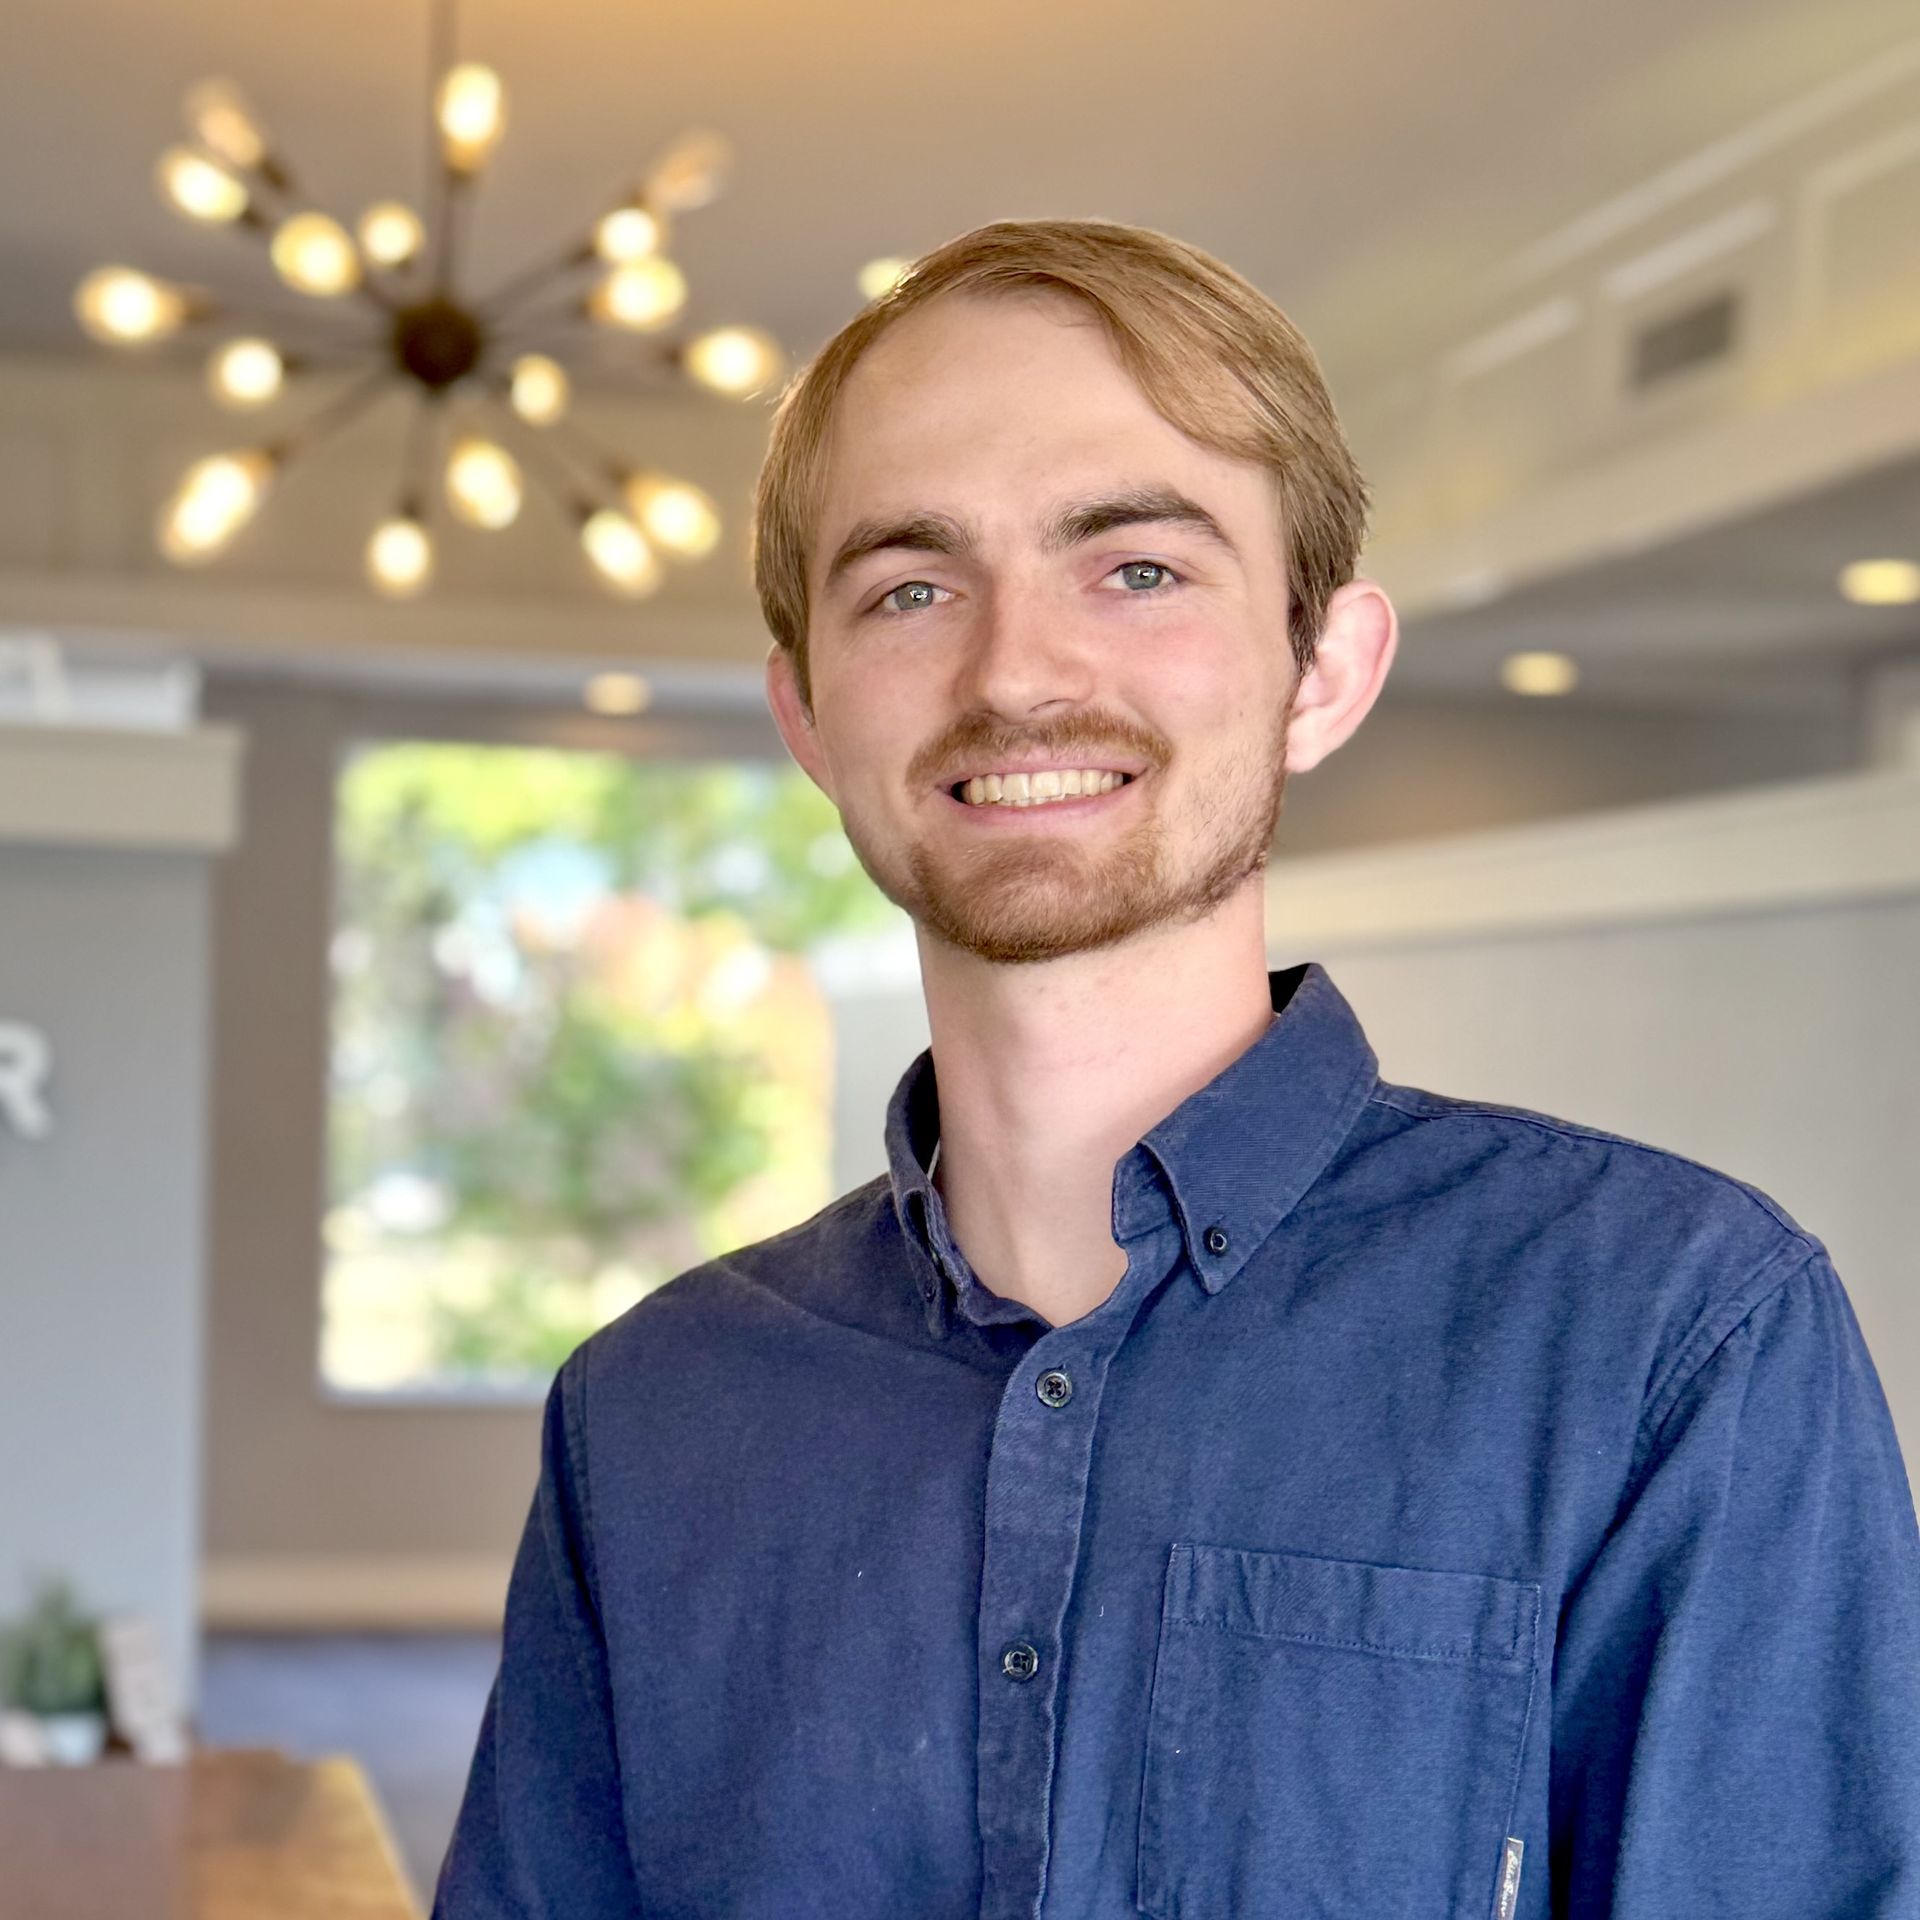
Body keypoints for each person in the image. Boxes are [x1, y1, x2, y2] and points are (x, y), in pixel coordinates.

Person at [432, 219, 1920, 1919]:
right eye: (912, 586)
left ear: (1323, 671)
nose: (1016, 671)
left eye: (1136, 567)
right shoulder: (651, 1414)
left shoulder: (1670, 1334)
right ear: (810, 716)